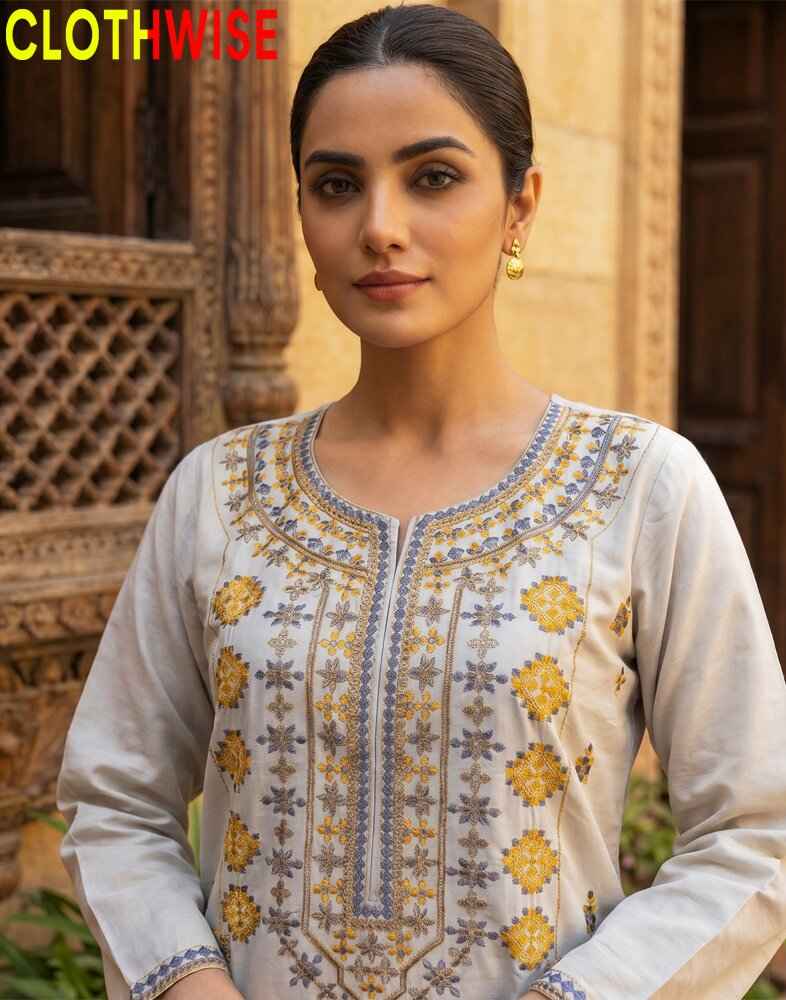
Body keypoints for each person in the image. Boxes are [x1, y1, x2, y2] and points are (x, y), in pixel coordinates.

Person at [56, 4, 786, 999]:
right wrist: (186, 983)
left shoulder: (641, 487)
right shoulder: (217, 495)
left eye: (433, 176)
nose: (380, 228)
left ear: (519, 206)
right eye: (337, 185)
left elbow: (756, 832)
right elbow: (116, 800)